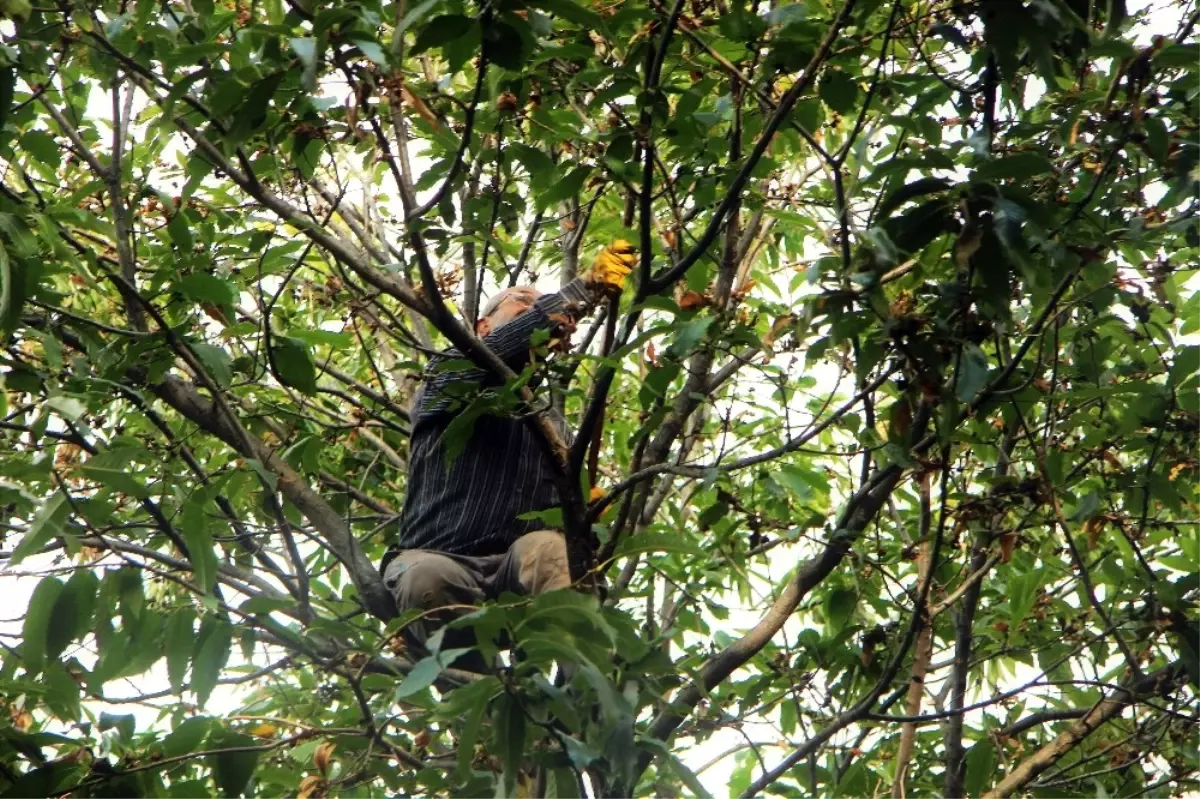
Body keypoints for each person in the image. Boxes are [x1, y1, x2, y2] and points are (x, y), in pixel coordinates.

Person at [381, 241, 636, 665]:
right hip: (442, 561)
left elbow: (565, 525)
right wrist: (581, 290)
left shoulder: (551, 419)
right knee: (426, 576)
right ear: (482, 327)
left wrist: (581, 508)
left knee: (555, 552)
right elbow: (499, 351)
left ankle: (580, 695)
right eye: (522, 301)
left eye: (541, 305)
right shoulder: (449, 374)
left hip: (517, 573)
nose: (536, 309)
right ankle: (482, 698)